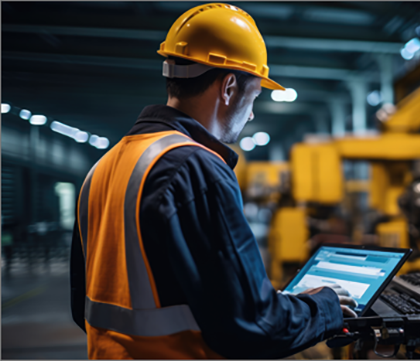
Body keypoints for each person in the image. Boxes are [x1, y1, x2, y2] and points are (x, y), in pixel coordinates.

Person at [70, 3, 356, 359]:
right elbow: (255, 325)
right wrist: (326, 306)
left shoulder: (104, 167)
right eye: (254, 96)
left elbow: (84, 304)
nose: (251, 113)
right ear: (229, 87)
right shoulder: (195, 168)